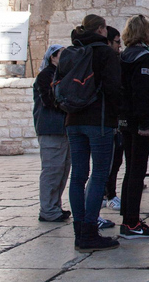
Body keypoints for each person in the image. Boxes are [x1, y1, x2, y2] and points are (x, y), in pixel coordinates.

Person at [64, 14, 122, 252]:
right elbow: (113, 89)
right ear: (101, 29)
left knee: (78, 175)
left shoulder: (71, 51)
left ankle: (80, 231)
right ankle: (90, 230)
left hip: (72, 119)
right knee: (99, 174)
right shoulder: (106, 52)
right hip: (98, 121)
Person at [117, 15, 149, 239]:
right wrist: (145, 122)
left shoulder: (124, 56)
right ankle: (131, 222)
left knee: (131, 169)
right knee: (137, 171)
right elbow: (142, 93)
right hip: (138, 122)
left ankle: (128, 216)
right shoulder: (144, 58)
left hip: (125, 120)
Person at [33, 44, 70, 223]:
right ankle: (47, 209)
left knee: (62, 171)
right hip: (51, 128)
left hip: (63, 129)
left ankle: (55, 206)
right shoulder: (45, 75)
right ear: (53, 57)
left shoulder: (61, 75)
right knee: (52, 170)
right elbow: (49, 100)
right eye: (61, 55)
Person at [103, 26, 124, 212]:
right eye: (117, 42)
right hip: (107, 120)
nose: (120, 46)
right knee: (109, 161)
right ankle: (108, 194)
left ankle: (106, 194)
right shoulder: (109, 61)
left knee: (113, 161)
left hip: (108, 119)